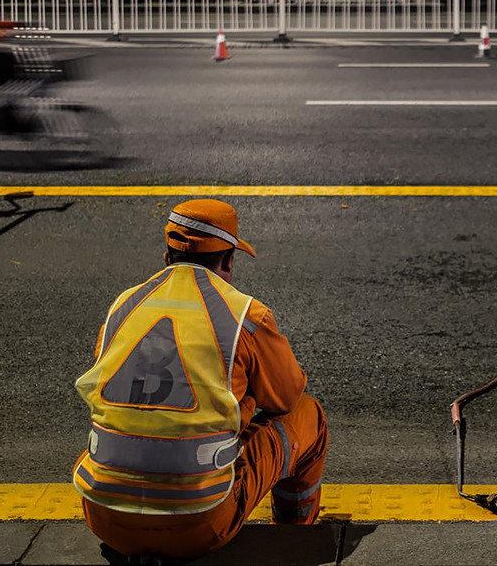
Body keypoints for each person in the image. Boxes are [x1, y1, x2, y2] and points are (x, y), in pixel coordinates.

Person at [72, 199, 328, 560]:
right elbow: (287, 398)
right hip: (199, 526)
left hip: (105, 519)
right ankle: (295, 536)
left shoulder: (123, 305)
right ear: (227, 261)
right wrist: (247, 403)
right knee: (309, 416)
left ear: (166, 257)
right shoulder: (246, 315)